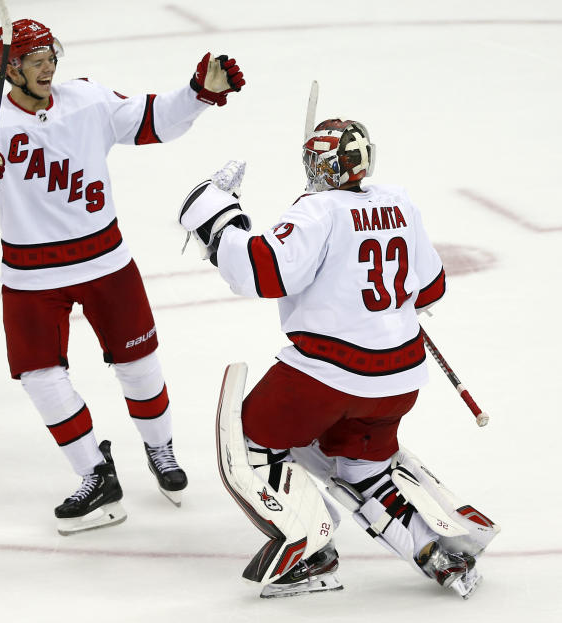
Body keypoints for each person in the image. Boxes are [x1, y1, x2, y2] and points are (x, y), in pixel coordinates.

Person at [0, 18, 245, 535]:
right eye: (34, 60)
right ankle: (94, 473)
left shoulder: (87, 99)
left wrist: (198, 93)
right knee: (39, 377)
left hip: (104, 260)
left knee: (140, 361)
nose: (47, 66)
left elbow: (153, 120)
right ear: (8, 68)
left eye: (49, 56)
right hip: (31, 275)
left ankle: (159, 449)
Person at [178, 120, 499, 598]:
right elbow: (431, 288)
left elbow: (260, 273)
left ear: (322, 165)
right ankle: (439, 552)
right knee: (362, 467)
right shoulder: (399, 202)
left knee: (249, 441)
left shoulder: (316, 210)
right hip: (399, 381)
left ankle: (309, 553)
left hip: (328, 376)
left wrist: (219, 220)